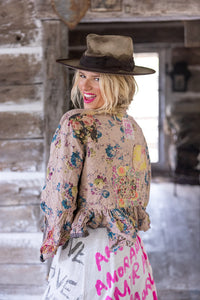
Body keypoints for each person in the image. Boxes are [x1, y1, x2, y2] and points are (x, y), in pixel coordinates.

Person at [40, 34, 157, 300]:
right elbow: (142, 193)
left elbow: (60, 191)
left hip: (86, 249)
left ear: (119, 84)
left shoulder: (76, 123)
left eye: (98, 78)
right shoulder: (133, 127)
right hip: (127, 250)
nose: (85, 86)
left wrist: (52, 239)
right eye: (82, 75)